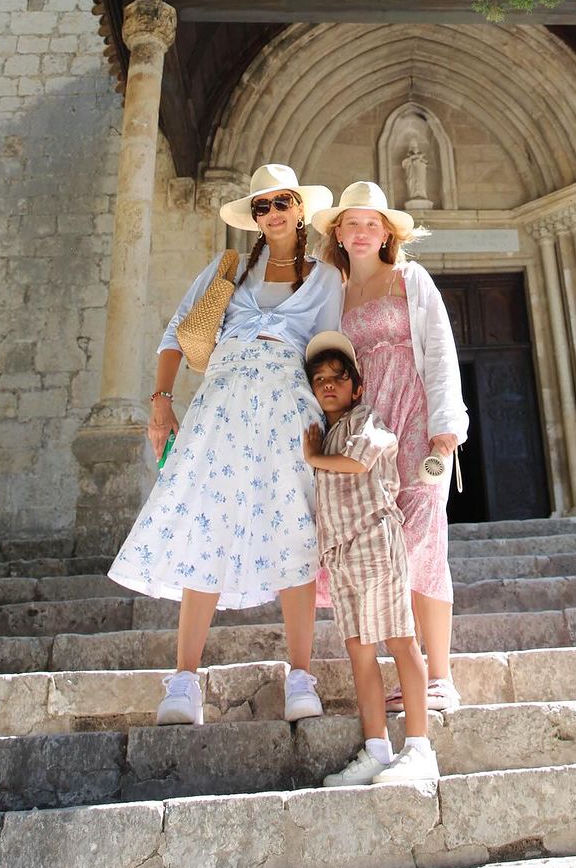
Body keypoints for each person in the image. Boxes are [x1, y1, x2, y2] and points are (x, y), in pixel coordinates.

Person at [109, 163, 343, 727]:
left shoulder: (326, 278)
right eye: (261, 207)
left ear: (299, 208)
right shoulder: (228, 269)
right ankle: (185, 680)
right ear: (255, 219)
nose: (272, 214)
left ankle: (301, 675)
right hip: (223, 404)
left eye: (281, 202)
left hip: (290, 407)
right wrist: (162, 400)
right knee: (205, 522)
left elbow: (333, 351)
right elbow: (176, 333)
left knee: (294, 527)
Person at [312, 181, 468, 713]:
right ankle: (403, 670)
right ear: (338, 232)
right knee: (378, 544)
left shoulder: (410, 279)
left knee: (424, 538)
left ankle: (439, 674)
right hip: (364, 431)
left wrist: (447, 424)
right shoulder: (331, 292)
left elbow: (441, 350)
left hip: (415, 418)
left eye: (371, 223)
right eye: (351, 223)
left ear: (386, 234)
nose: (360, 232)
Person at [302, 331, 439, 787]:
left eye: (338, 378)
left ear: (356, 387)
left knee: (400, 638)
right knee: (359, 651)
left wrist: (313, 458)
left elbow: (359, 463)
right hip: (341, 555)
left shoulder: (366, 419)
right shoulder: (323, 432)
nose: (328, 385)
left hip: (376, 540)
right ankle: (377, 748)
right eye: (319, 379)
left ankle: (419, 746)